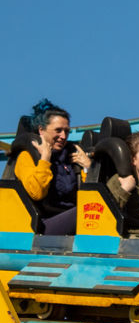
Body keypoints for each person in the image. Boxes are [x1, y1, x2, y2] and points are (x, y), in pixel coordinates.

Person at [15, 98, 91, 235]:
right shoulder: (26, 157)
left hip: (71, 220)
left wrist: (88, 168)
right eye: (58, 130)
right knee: (88, 211)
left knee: (95, 211)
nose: (63, 136)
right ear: (41, 130)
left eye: (66, 131)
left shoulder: (70, 157)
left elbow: (89, 196)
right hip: (42, 225)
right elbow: (37, 193)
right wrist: (45, 158)